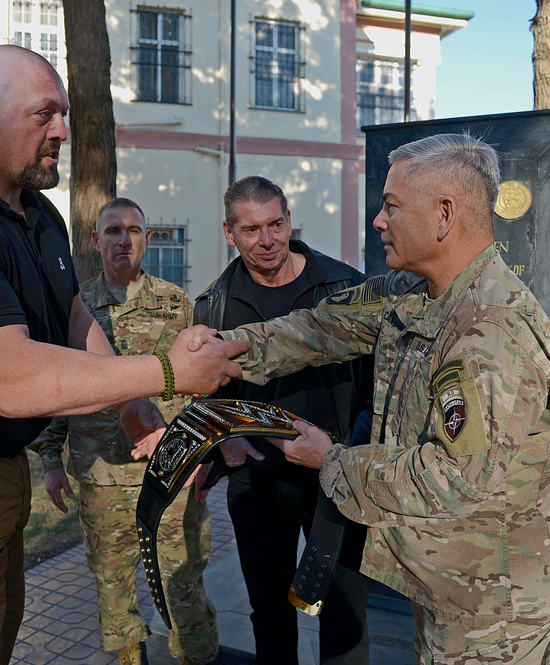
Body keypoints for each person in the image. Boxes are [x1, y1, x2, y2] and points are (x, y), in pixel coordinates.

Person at [0, 45, 245, 665]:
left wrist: (134, 400)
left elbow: (73, 316)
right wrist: (167, 372)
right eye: (45, 115)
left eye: (64, 114)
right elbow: (12, 378)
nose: (63, 131)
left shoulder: (34, 211)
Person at [204, 134, 550, 663]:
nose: (378, 220)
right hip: (449, 581)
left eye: (391, 206)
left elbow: (451, 476)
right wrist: (225, 349)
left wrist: (329, 459)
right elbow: (322, 327)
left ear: (444, 215)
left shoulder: (491, 331)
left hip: (495, 609)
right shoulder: (418, 295)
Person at [193, 175, 372, 664]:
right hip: (258, 485)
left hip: (333, 478)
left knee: (343, 611)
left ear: (290, 220)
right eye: (251, 230)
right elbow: (206, 392)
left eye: (276, 224)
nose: (267, 240)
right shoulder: (214, 304)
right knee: (268, 611)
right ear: (229, 233)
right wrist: (225, 444)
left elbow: (376, 388)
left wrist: (354, 456)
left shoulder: (344, 287)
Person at [32, 197, 217, 665]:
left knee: (183, 586)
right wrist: (51, 462)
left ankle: (195, 658)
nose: (124, 240)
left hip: (170, 478)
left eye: (134, 230)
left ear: (147, 240)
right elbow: (58, 388)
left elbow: (201, 391)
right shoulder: (76, 308)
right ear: (96, 241)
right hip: (103, 481)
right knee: (114, 592)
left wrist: (201, 456)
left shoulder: (176, 304)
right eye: (113, 231)